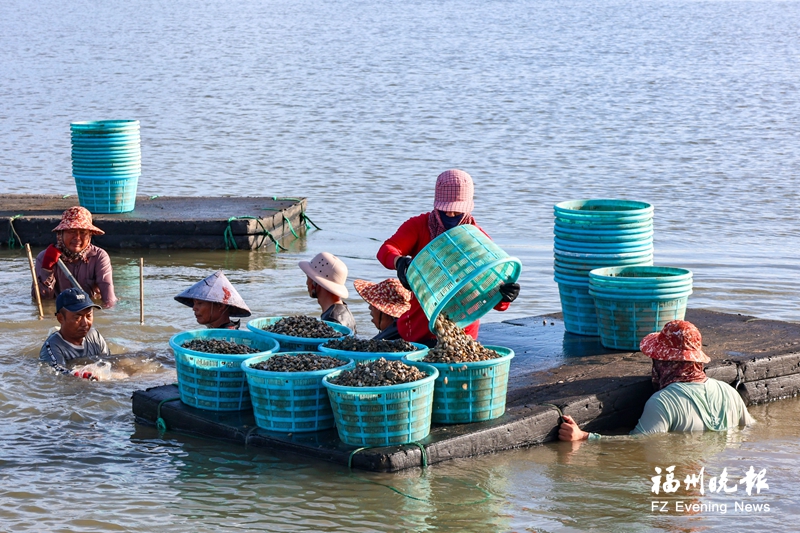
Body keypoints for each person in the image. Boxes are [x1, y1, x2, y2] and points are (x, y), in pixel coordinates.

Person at [376, 169, 520, 345]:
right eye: (445, 210)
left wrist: (505, 297)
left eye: (457, 212)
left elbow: (493, 298)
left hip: (461, 333)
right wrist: (399, 262)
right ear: (436, 205)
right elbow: (386, 250)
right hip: (418, 330)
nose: (450, 215)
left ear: (467, 208)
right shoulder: (419, 226)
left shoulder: (479, 242)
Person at [558, 320, 754, 441]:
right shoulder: (728, 392)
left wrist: (584, 437)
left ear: (663, 362)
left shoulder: (663, 402)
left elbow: (636, 445)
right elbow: (751, 429)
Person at [33, 206, 117, 308]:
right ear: (61, 234)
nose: (77, 238)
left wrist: (107, 312)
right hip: (61, 310)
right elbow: (42, 300)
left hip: (88, 308)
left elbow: (108, 295)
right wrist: (47, 268)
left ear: (90, 236)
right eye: (71, 231)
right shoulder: (44, 257)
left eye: (83, 233)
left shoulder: (99, 257)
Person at [40, 287, 111, 379]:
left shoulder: (94, 336)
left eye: (89, 316)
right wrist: (81, 375)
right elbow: (58, 372)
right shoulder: (52, 347)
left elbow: (109, 361)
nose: (85, 323)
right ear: (60, 318)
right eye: (77, 318)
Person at [299, 252, 357, 333]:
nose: (306, 283)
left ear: (316, 282)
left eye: (309, 278)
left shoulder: (332, 321)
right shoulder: (344, 310)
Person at [174, 271, 251, 329]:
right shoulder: (215, 332)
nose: (194, 308)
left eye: (200, 303)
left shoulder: (227, 337)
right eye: (194, 303)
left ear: (221, 306)